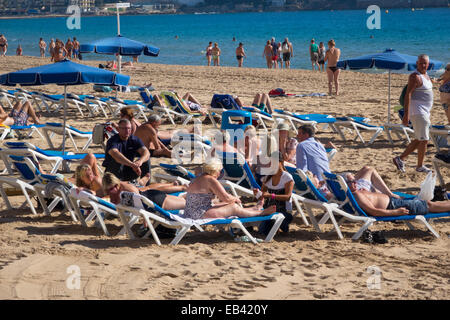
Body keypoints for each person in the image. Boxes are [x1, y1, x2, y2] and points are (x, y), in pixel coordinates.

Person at [181, 158, 276, 220]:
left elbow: (223, 199)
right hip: (199, 214)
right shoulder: (210, 180)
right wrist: (235, 198)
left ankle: (255, 208)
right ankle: (260, 213)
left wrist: (231, 200)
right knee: (233, 207)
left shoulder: (198, 177)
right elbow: (225, 197)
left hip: (190, 212)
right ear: (215, 170)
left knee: (226, 204)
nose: (220, 173)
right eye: (220, 171)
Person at [393, 54, 434, 173]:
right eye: (421, 63)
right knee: (424, 139)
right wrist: (406, 114)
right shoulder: (414, 76)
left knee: (419, 139)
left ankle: (400, 158)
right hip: (418, 111)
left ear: (428, 64)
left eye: (425, 63)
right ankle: (419, 166)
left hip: (424, 112)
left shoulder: (426, 76)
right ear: (417, 63)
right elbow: (408, 95)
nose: (423, 65)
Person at [346, 175, 450, 217]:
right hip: (393, 206)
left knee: (425, 202)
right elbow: (373, 211)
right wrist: (395, 212)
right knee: (427, 204)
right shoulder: (357, 196)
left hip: (392, 202)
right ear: (345, 184)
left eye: (355, 180)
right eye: (352, 182)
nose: (356, 183)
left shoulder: (352, 193)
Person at [102, 172, 186, 211]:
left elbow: (141, 203)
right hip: (151, 198)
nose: (109, 192)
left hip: (154, 199)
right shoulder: (115, 192)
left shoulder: (127, 190)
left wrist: (145, 222)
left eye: (111, 189)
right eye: (107, 190)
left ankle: (182, 188)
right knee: (184, 200)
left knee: (187, 203)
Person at [255, 151, 294, 234]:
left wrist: (270, 195)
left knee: (265, 229)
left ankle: (282, 226)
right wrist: (257, 194)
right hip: (268, 209)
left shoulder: (287, 177)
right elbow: (261, 197)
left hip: (284, 211)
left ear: (281, 162)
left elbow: (288, 197)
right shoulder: (268, 177)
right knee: (262, 230)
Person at [102, 119, 151, 183]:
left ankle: (145, 185)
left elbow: (146, 152)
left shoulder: (134, 139)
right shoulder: (113, 140)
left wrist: (139, 162)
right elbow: (115, 153)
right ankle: (120, 184)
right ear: (118, 129)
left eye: (129, 128)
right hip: (113, 173)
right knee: (118, 160)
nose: (127, 131)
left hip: (130, 171)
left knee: (146, 159)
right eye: (124, 128)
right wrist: (132, 164)